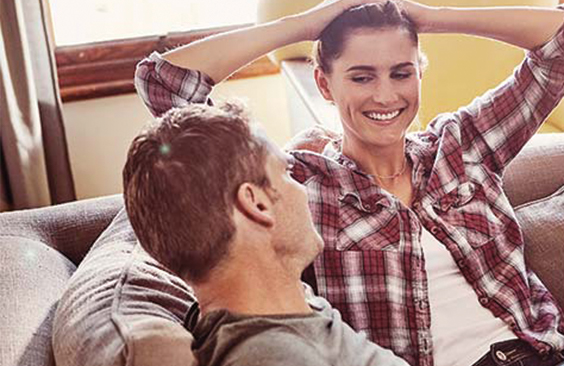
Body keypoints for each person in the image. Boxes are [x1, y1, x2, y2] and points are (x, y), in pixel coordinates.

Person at [133, 0, 564, 366]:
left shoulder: (462, 144)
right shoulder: (305, 186)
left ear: (421, 72)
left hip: (551, 355)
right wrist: (306, 25)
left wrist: (431, 17)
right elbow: (165, 84)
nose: (385, 94)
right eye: (360, 76)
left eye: (401, 71)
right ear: (325, 86)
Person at [123, 101, 409, 366]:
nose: (301, 188)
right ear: (257, 203)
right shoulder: (275, 357)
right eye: (286, 172)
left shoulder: (285, 302)